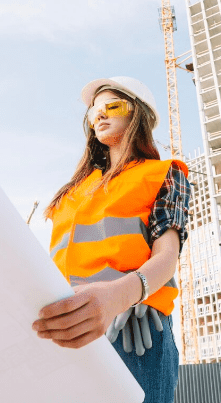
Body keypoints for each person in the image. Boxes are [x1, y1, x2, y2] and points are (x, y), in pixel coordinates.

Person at [32, 76, 191, 403]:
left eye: (112, 107)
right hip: (63, 324)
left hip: (132, 331)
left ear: (139, 115)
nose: (100, 116)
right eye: (93, 113)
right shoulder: (73, 190)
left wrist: (125, 295)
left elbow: (167, 255)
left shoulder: (163, 173)